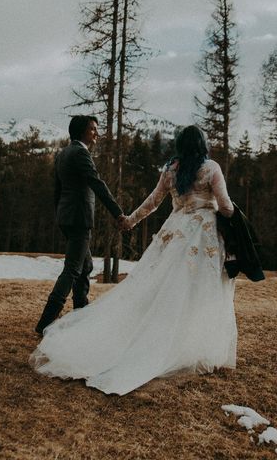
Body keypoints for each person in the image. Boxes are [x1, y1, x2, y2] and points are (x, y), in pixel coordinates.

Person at [30, 125, 236, 395]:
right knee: (201, 291)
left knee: (164, 289)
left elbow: (152, 202)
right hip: (204, 236)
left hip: (175, 233)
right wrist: (232, 217)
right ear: (202, 144)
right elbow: (226, 206)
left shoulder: (171, 170)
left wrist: (130, 220)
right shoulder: (211, 169)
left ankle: (166, 340)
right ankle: (192, 346)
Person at [34, 115, 125, 335]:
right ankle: (45, 323)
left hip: (67, 217)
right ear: (81, 131)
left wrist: (60, 215)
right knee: (73, 269)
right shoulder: (81, 153)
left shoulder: (63, 153)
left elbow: (57, 190)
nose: (96, 133)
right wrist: (118, 213)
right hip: (79, 218)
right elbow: (96, 183)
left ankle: (80, 314)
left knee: (85, 267)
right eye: (93, 129)